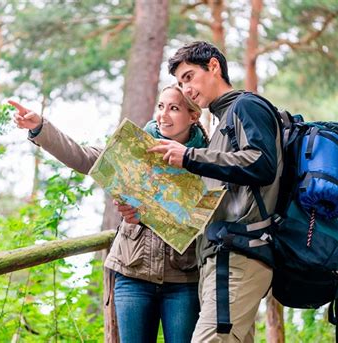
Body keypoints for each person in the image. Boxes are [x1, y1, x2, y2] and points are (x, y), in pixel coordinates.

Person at [10, 84, 209, 343]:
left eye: (174, 108)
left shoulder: (207, 158)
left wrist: (155, 214)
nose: (163, 115)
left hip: (184, 279)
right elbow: (84, 157)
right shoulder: (137, 146)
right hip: (132, 273)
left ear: (193, 116)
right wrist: (40, 128)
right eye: (161, 106)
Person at [120, 41, 282, 342]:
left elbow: (261, 164)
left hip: (237, 258)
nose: (186, 89)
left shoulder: (246, 106)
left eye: (189, 77)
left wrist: (190, 157)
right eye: (181, 82)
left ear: (213, 66)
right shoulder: (223, 123)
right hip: (218, 260)